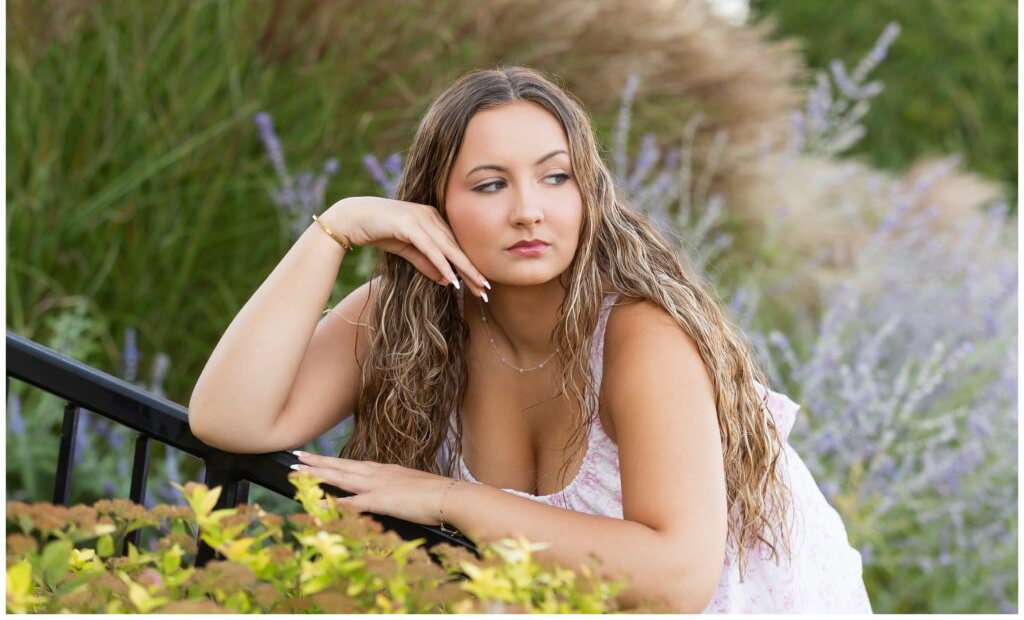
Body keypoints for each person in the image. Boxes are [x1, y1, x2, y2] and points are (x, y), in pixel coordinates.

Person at [188, 66, 872, 613]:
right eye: (490, 185)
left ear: (588, 194)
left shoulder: (640, 335)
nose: (528, 211)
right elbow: (229, 420)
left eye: (555, 177)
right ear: (435, 204)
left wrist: (445, 499)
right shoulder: (407, 316)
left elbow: (678, 580)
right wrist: (334, 229)